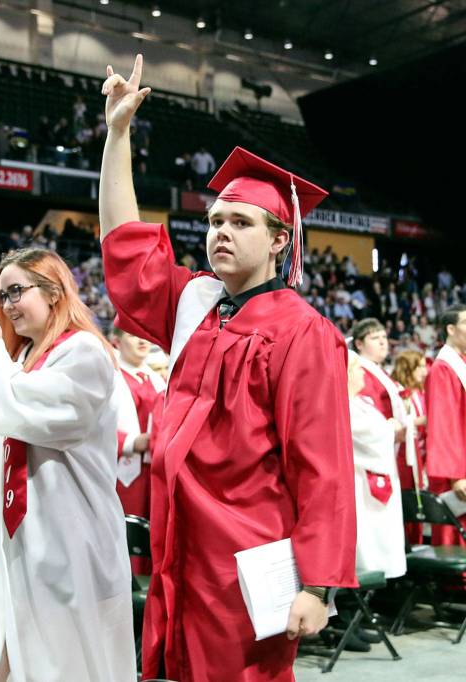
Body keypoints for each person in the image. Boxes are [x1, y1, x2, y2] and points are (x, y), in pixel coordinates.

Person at [98, 57, 356, 681]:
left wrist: (318, 586)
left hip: (248, 565)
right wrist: (117, 137)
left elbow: (322, 467)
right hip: (178, 553)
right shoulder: (196, 305)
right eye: (214, 220)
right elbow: (127, 250)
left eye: (240, 222)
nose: (220, 232)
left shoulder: (302, 331)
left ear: (278, 240)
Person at [0, 247, 135, 681]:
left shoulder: (84, 351)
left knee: (60, 663)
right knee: (2, 653)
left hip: (67, 537)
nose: (8, 305)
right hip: (17, 539)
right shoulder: (20, 358)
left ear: (54, 291)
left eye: (17, 291)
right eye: (2, 296)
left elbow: (29, 413)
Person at [109, 327, 164, 577]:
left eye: (144, 334)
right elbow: (93, 428)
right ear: (117, 342)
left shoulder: (158, 378)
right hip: (123, 476)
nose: (142, 340)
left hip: (156, 471)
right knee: (126, 544)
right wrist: (133, 441)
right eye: (132, 335)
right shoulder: (109, 378)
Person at [348, 352, 407, 580]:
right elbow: (372, 437)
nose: (363, 372)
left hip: (377, 477)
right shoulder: (343, 405)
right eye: (357, 368)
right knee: (369, 543)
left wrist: (388, 428)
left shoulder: (361, 402)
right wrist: (389, 428)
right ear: (346, 374)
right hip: (360, 482)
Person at [425, 303, 466, 547]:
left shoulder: (461, 362)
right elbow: (443, 424)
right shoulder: (443, 369)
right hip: (458, 471)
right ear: (451, 329)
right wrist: (455, 476)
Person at [391, 349, 429, 544]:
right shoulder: (399, 392)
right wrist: (421, 421)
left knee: (420, 501)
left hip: (421, 456)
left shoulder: (421, 392)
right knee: (408, 502)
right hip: (405, 456)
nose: (424, 371)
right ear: (408, 367)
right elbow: (398, 423)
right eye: (420, 366)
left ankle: (418, 541)